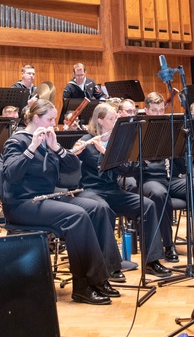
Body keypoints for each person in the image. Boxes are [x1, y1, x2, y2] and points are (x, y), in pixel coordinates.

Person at [0, 99, 120, 305]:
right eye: (50, 119)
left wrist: (56, 147)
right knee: (76, 216)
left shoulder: (49, 139)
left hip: (46, 199)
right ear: (36, 119)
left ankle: (102, 276)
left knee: (97, 208)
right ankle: (83, 287)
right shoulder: (17, 141)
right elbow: (11, 175)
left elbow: (72, 168)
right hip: (22, 204)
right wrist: (32, 147)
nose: (54, 124)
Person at [74, 103, 172, 277]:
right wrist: (73, 153)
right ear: (100, 121)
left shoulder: (118, 141)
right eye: (112, 119)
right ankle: (110, 265)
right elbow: (67, 167)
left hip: (112, 190)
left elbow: (131, 169)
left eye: (116, 118)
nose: (116, 121)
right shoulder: (86, 140)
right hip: (90, 190)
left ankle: (152, 260)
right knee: (102, 208)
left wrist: (105, 152)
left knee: (147, 205)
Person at [137, 92, 194, 262]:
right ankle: (168, 245)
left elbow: (183, 162)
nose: (159, 114)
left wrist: (184, 145)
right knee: (160, 194)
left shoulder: (172, 128)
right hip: (150, 180)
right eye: (154, 110)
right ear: (146, 111)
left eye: (161, 110)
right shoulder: (139, 129)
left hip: (173, 179)